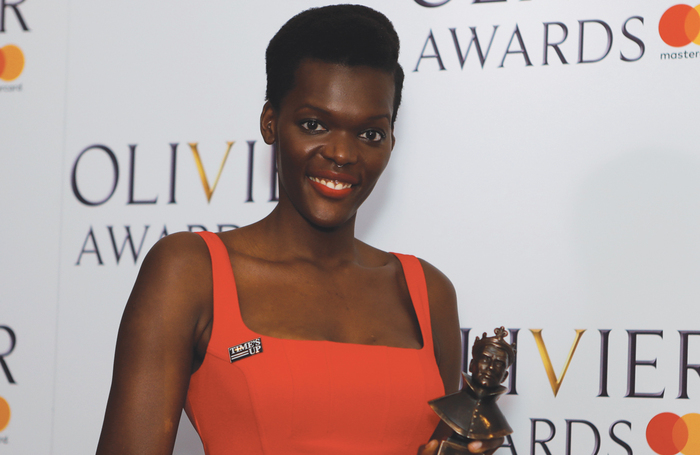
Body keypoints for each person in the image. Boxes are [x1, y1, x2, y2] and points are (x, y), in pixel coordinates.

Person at [95, 5, 504, 455]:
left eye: (370, 133)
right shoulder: (191, 271)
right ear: (271, 122)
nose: (343, 154)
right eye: (315, 124)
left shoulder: (428, 293)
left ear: (392, 140)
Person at [429, 327, 516, 442]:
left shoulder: (498, 426)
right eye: (485, 359)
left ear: (504, 377)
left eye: (499, 364)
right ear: (471, 365)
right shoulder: (445, 405)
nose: (490, 367)